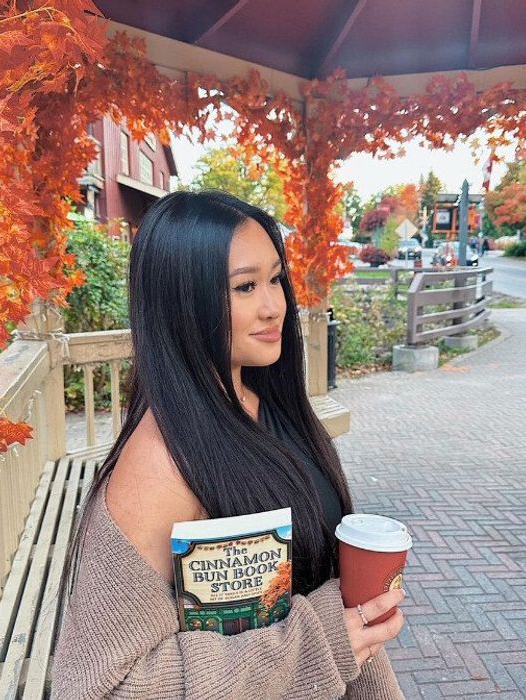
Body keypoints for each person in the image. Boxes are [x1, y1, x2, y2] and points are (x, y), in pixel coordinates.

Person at [52, 191, 405, 698]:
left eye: (276, 279)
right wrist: (318, 643)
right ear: (183, 301)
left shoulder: (268, 403)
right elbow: (102, 687)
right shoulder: (161, 461)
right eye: (245, 287)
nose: (273, 305)